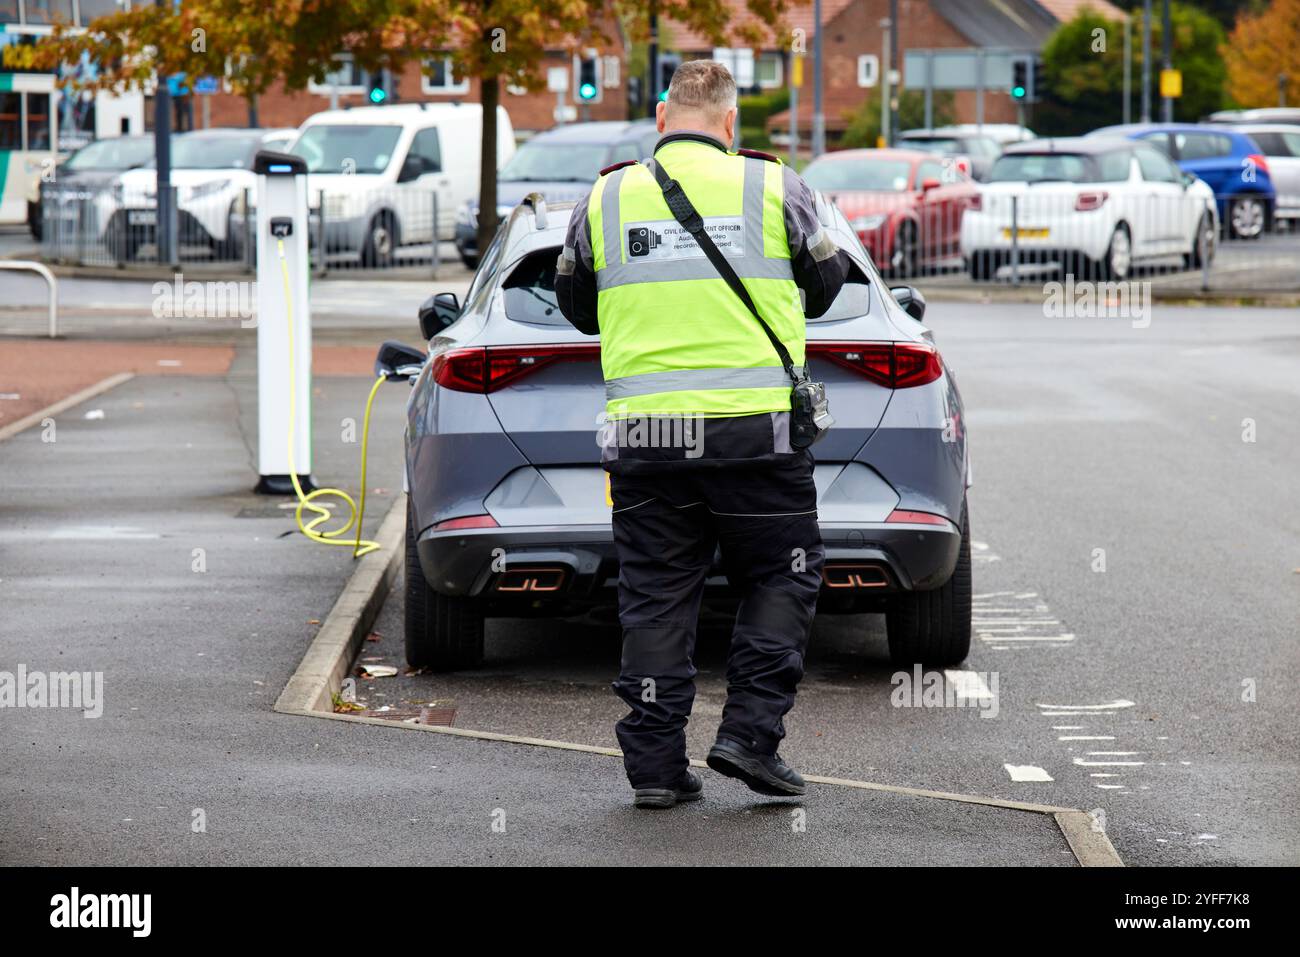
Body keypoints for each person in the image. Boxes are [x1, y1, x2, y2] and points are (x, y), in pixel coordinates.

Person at [555, 59, 852, 809]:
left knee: (655, 593)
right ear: (730, 123)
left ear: (661, 117)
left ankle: (655, 767)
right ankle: (749, 735)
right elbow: (827, 285)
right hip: (755, 436)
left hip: (648, 437)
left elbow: (575, 302)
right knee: (782, 574)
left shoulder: (605, 196)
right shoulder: (774, 187)